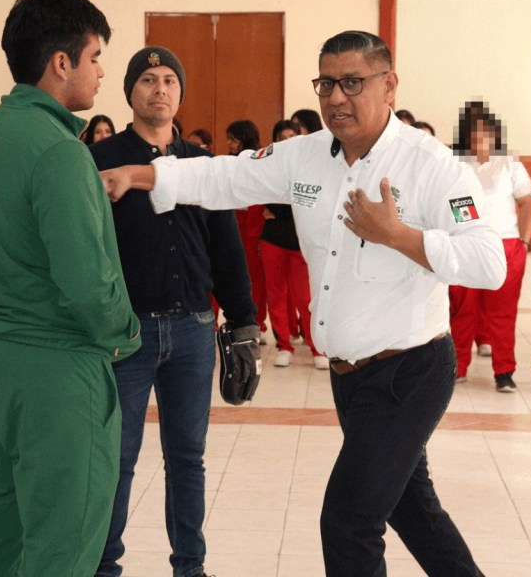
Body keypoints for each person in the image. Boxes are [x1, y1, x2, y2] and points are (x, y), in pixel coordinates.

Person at [102, 29, 504, 577]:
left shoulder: (431, 165)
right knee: (413, 508)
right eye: (326, 84)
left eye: (353, 83)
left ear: (389, 85)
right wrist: (140, 174)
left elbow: (489, 262)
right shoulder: (307, 155)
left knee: (348, 522)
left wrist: (400, 236)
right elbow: (228, 175)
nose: (336, 98)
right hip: (350, 377)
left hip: (408, 372)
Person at [0, 0, 140, 577]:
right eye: (94, 58)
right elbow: (88, 284)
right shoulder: (60, 150)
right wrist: (126, 332)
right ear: (60, 63)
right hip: (57, 372)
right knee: (63, 541)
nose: (100, 72)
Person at [91, 45, 257, 577]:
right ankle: (103, 566)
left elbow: (227, 248)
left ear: (179, 92)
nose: (159, 89)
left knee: (188, 460)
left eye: (168, 80)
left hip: (192, 330)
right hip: (127, 334)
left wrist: (245, 320)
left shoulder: (202, 165)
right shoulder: (100, 160)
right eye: (148, 80)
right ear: (130, 92)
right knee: (116, 460)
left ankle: (191, 567)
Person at [449, 103, 531, 391]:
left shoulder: (509, 164)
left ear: (495, 134)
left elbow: (526, 203)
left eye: (485, 131)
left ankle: (504, 371)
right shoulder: (457, 164)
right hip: (468, 244)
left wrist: (524, 240)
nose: (480, 137)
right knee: (464, 310)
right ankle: (458, 367)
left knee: (502, 312)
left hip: (507, 244)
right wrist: (466, 232)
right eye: (473, 131)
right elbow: (455, 203)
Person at [261, 119, 326, 368]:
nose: (287, 140)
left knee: (305, 298)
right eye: (282, 136)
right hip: (273, 240)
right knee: (275, 295)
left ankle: (316, 348)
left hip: (300, 243)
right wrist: (285, 206)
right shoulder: (269, 166)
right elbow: (267, 201)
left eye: (292, 136)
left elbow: (311, 202)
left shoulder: (310, 167)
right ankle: (283, 345)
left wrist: (282, 208)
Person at [226, 119, 269, 338]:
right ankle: (236, 319)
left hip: (253, 219)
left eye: (233, 139)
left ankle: (258, 322)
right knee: (235, 271)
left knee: (255, 276)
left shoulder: (261, 158)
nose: (229, 143)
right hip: (235, 218)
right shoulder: (229, 161)